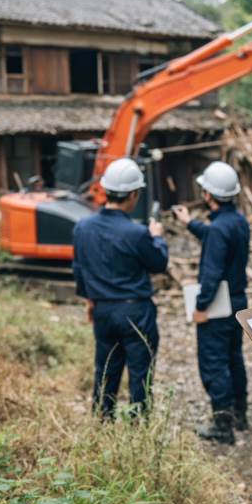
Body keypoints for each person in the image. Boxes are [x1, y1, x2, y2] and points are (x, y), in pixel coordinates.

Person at [73, 158, 168, 419]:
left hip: (103, 311)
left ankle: (102, 423)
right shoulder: (137, 233)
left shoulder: (82, 227)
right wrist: (157, 237)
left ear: (105, 190)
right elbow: (159, 264)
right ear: (133, 194)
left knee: (105, 371)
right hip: (136, 312)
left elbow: (79, 268)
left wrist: (89, 300)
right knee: (140, 375)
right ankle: (139, 427)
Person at [173, 161, 250, 445]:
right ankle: (240, 414)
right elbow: (212, 234)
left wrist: (200, 307)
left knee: (214, 363)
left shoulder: (218, 229)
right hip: (238, 302)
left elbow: (211, 274)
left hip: (218, 306)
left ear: (208, 194)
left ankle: (222, 426)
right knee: (234, 357)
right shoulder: (238, 220)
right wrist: (188, 223)